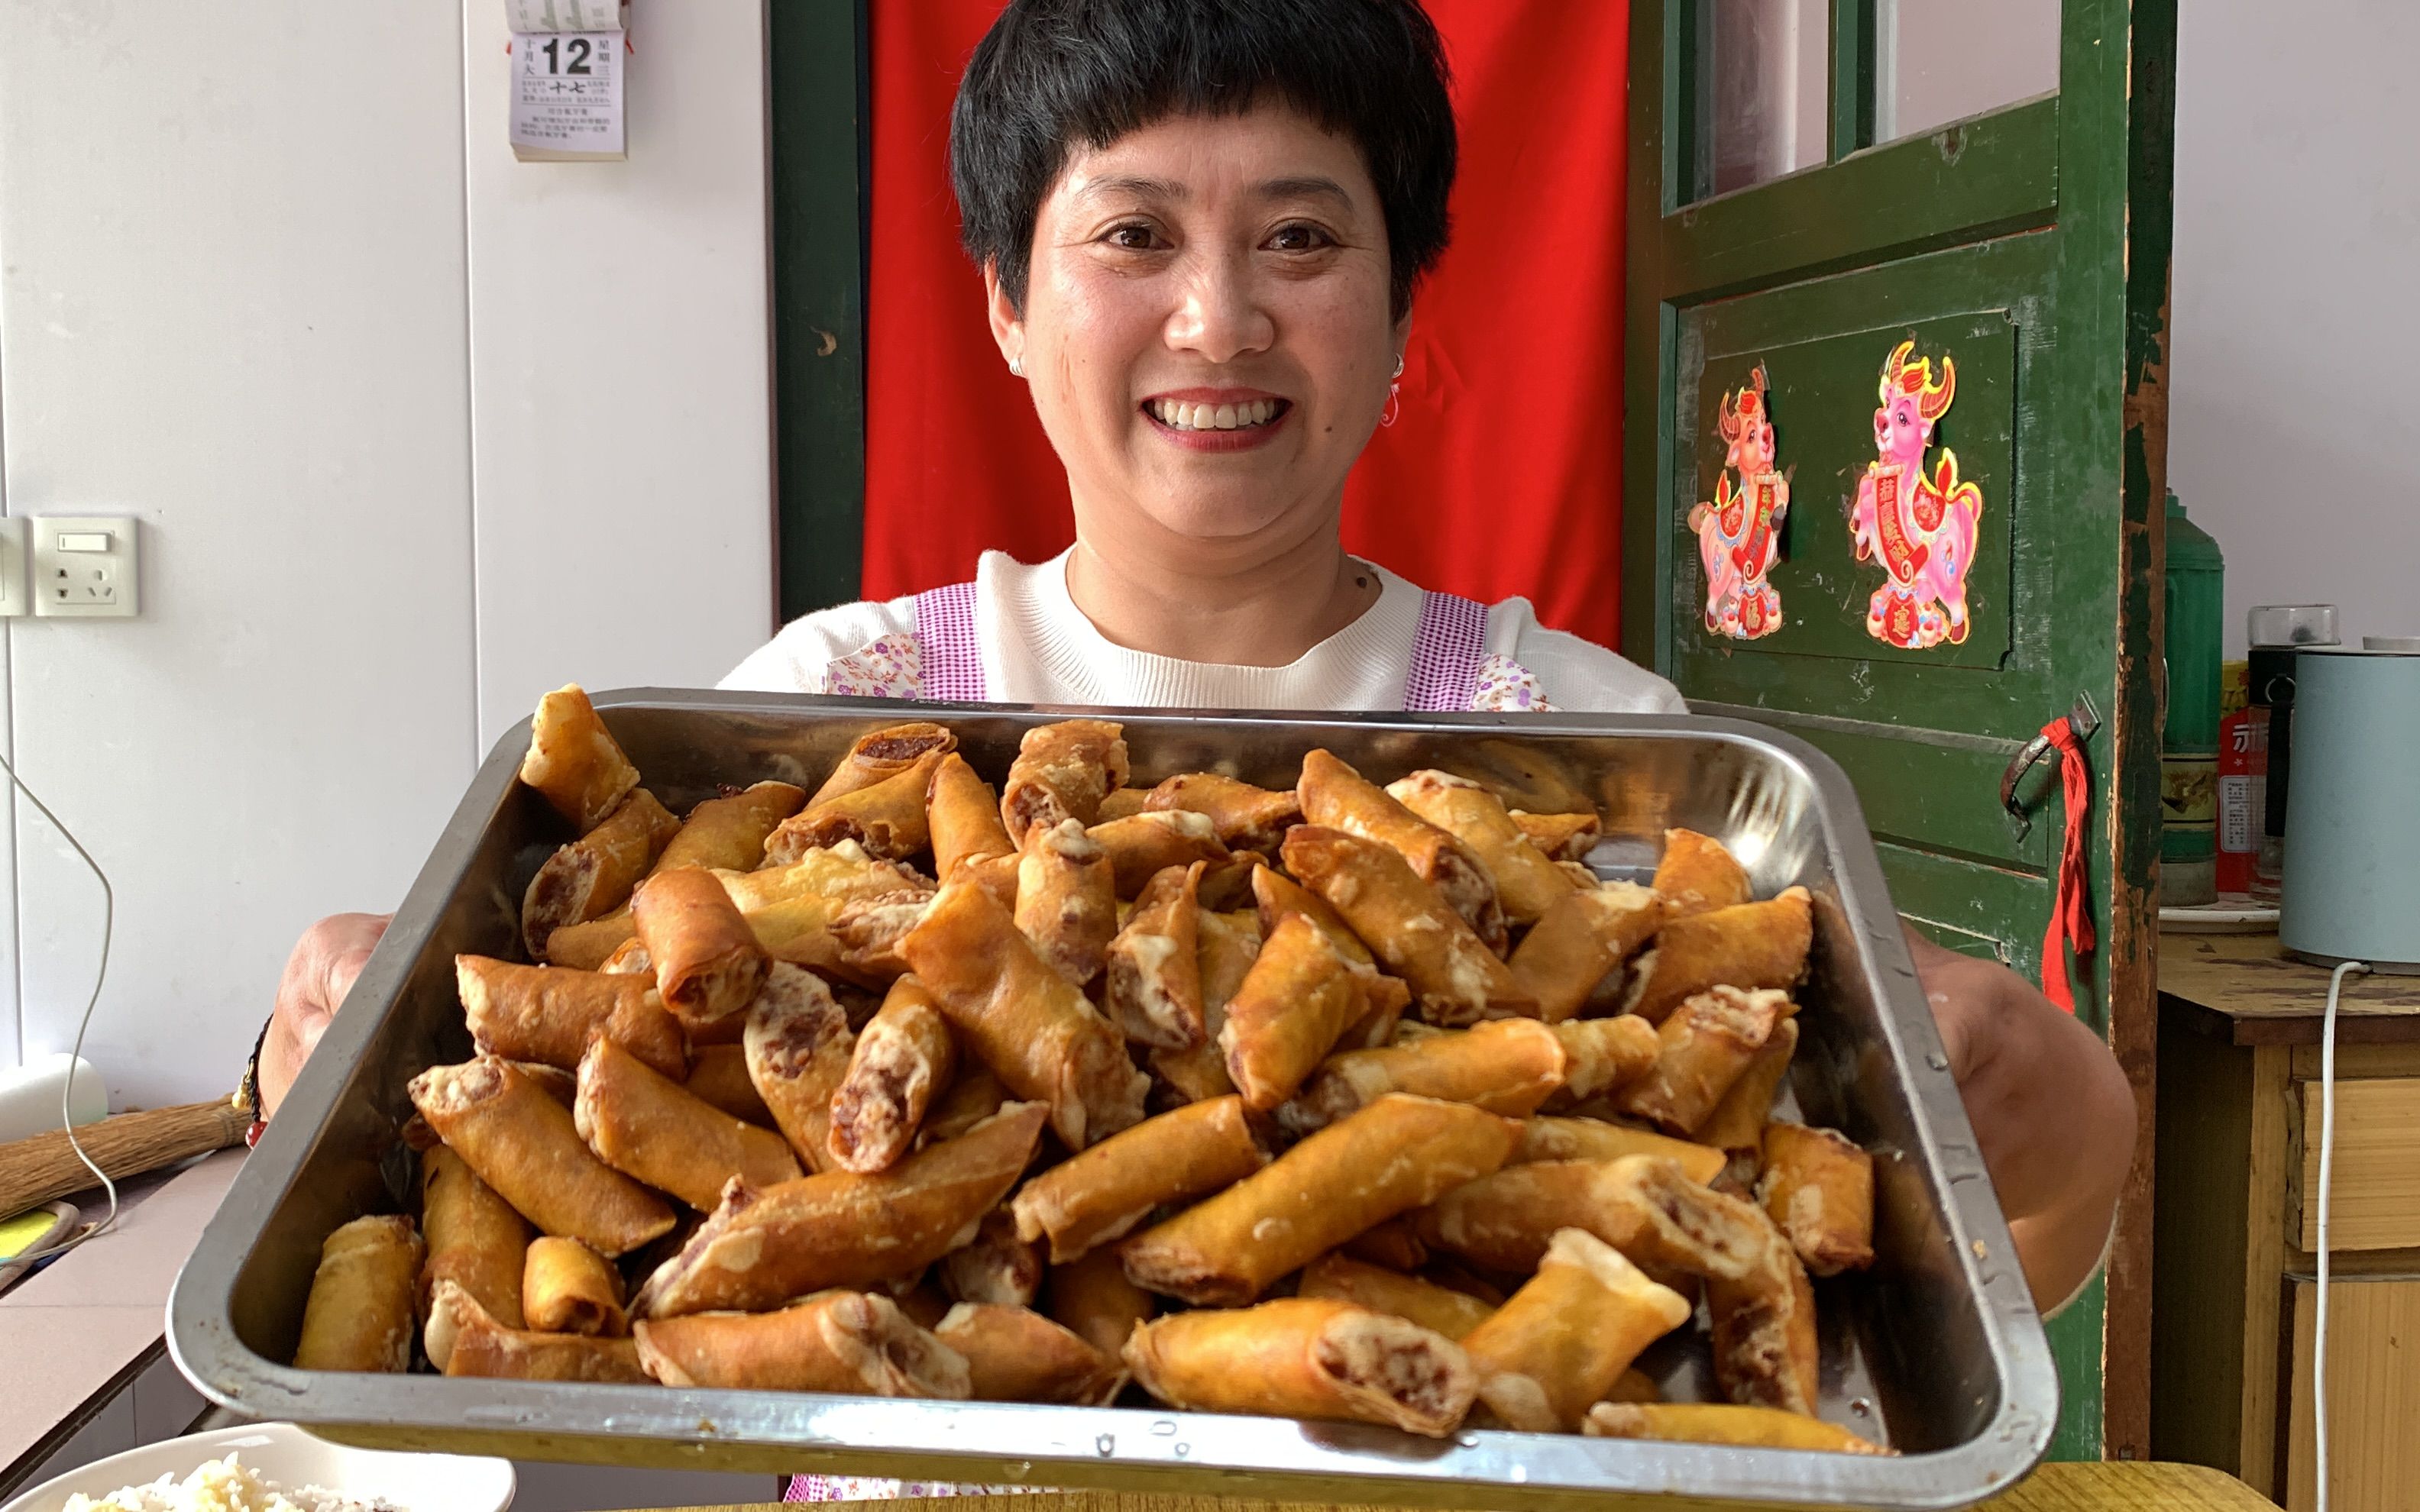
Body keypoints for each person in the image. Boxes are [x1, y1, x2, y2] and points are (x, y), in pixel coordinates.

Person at [255, 0, 2131, 1489]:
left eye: (1302, 238)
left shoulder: (1598, 751)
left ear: (1403, 313)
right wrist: (320, 1059)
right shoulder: (829, 702)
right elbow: (504, 1212)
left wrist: (2051, 1114)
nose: (1219, 316)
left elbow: (1977, 1286)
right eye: (1132, 234)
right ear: (1004, 301)